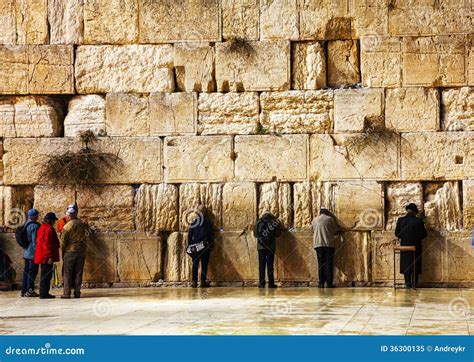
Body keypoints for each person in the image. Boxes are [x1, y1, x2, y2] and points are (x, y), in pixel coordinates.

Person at [395, 203, 427, 288]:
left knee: (406, 263)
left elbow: (397, 234)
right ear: (415, 212)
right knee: (415, 264)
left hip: (404, 246)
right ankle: (414, 284)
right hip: (416, 246)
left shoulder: (400, 220)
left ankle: (407, 283)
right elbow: (423, 234)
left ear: (407, 210)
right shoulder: (418, 221)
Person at [61, 207, 90, 299]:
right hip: (81, 251)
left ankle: (67, 293)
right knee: (78, 272)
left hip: (70, 251)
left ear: (69, 216)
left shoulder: (67, 226)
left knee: (67, 273)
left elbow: (63, 241)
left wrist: (62, 250)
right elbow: (88, 233)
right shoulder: (82, 224)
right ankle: (77, 292)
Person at [311, 208, 340, 288]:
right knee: (329, 264)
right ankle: (329, 283)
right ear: (327, 213)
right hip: (329, 245)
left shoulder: (314, 220)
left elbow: (312, 230)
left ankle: (321, 283)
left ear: (320, 213)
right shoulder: (330, 219)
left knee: (321, 264)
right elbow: (335, 230)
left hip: (318, 245)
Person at [187, 205, 214, 288]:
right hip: (205, 246)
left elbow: (189, 236)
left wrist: (191, 246)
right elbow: (211, 235)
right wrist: (211, 245)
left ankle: (194, 282)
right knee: (204, 265)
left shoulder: (194, 222)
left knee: (195, 264)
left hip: (195, 247)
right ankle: (202, 282)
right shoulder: (208, 223)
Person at [34, 212, 60, 299]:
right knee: (47, 275)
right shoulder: (49, 229)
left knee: (44, 274)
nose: (54, 222)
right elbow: (48, 244)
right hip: (46, 256)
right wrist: (50, 257)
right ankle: (44, 293)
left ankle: (43, 292)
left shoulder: (41, 228)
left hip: (42, 255)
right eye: (53, 221)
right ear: (50, 221)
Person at [254, 211, 281, 288]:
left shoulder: (259, 222)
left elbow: (255, 234)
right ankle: (271, 283)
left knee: (261, 265)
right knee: (270, 265)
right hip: (271, 247)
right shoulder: (274, 222)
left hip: (261, 246)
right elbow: (278, 234)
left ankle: (261, 283)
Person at [21, 209, 40, 297]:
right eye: (37, 215)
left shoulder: (25, 224)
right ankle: (30, 291)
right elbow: (34, 241)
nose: (38, 216)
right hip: (32, 254)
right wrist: (38, 253)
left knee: (26, 272)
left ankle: (24, 291)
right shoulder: (34, 226)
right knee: (32, 273)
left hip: (26, 253)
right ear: (34, 216)